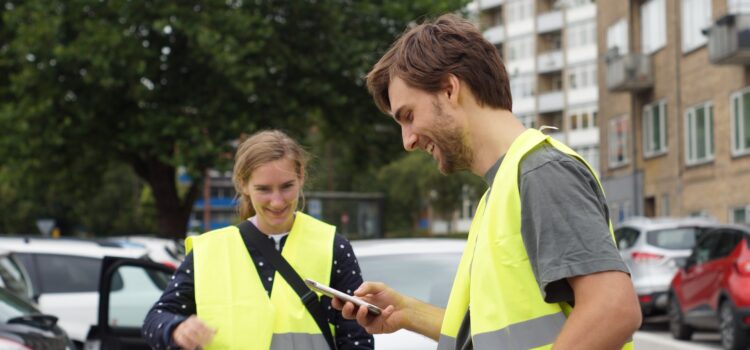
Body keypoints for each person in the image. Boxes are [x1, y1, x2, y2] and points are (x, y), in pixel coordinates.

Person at [332, 14, 641, 350]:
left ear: (450, 89)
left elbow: (613, 309)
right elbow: (492, 336)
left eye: (408, 116)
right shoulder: (502, 190)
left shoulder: (541, 172)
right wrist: (407, 312)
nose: (407, 141)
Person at [142, 130, 374, 350]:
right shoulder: (208, 251)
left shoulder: (332, 246)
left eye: (286, 187)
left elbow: (356, 337)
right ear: (243, 184)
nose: (277, 201)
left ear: (301, 176)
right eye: (264, 189)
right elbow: (156, 319)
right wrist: (176, 328)